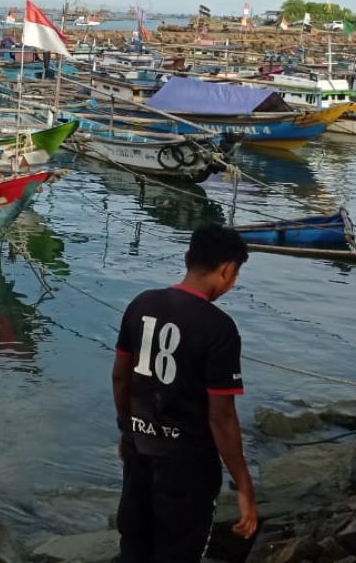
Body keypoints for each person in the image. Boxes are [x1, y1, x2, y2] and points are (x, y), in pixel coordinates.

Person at [112, 223, 257, 563]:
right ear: (227, 270)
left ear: (187, 258)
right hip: (187, 467)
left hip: (139, 451)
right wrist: (243, 483)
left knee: (134, 545)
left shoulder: (141, 304)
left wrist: (127, 428)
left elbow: (121, 378)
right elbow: (221, 415)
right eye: (234, 276)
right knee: (179, 552)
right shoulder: (219, 329)